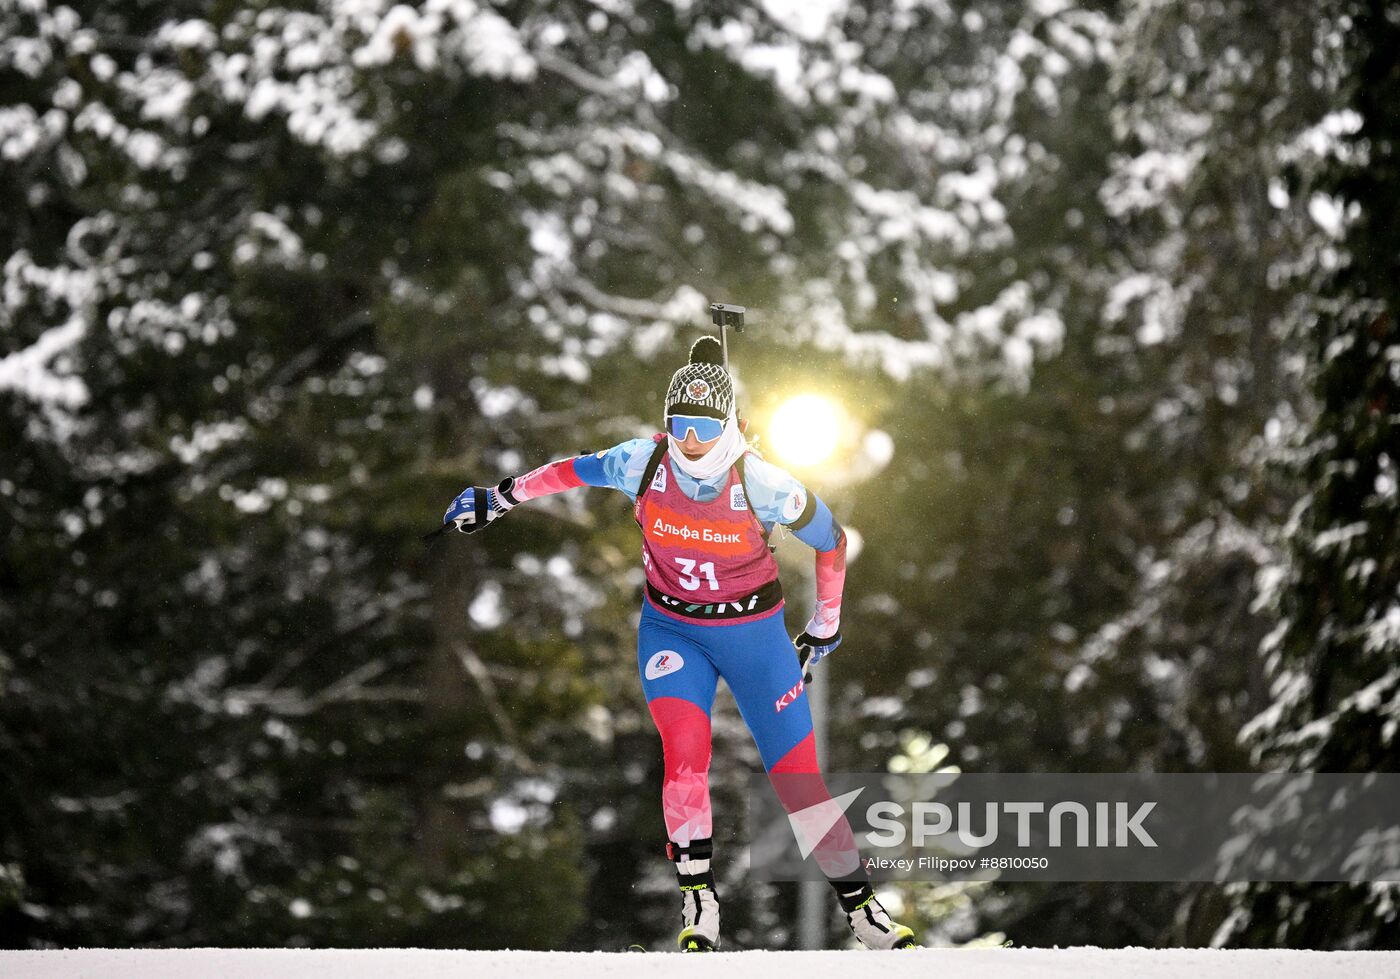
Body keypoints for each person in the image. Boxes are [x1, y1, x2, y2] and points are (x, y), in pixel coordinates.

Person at [441, 337, 917, 951]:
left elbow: (831, 541)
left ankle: (862, 910)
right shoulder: (642, 462)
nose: (690, 440)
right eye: (679, 425)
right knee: (685, 757)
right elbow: (568, 471)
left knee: (798, 781)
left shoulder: (763, 481)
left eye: (704, 426)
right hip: (673, 632)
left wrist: (826, 622)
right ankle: (700, 907)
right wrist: (499, 497)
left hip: (755, 637)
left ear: (730, 426)